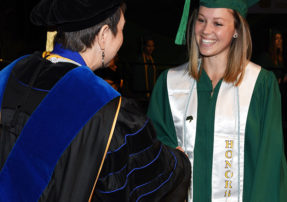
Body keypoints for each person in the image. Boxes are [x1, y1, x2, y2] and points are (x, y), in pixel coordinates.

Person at [0, 0, 191, 201]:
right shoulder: (106, 108)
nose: (122, 39)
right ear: (103, 35)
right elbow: (145, 179)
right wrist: (179, 163)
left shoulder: (11, 73)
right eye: (122, 30)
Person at [147, 0, 287, 201]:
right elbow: (154, 149)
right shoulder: (170, 84)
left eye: (218, 23)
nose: (206, 30)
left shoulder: (260, 85)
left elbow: (269, 164)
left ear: (236, 30)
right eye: (201, 20)